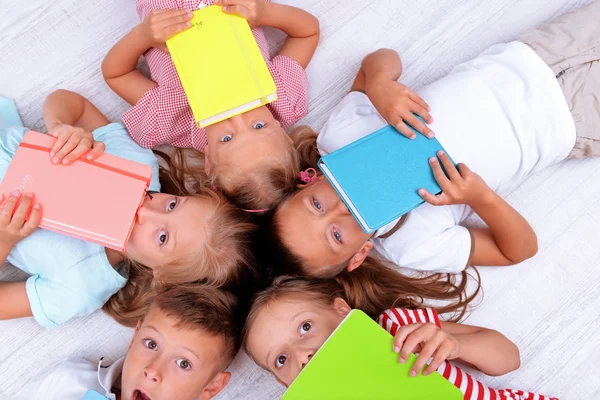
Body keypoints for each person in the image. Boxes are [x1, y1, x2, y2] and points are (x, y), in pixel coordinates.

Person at [267, 1, 600, 278]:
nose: (340, 211)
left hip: (531, 56)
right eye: (336, 235)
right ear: (359, 255)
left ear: (307, 182)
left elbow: (378, 60)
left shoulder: (339, 138)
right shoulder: (412, 245)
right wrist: (480, 197)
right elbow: (519, 250)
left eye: (317, 205)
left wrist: (381, 84)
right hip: (572, 123)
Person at [0, 90, 256, 328]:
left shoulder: (81, 286)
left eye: (162, 237)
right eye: (172, 204)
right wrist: (61, 127)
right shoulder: (135, 166)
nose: (145, 210)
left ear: (162, 277)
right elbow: (72, 105)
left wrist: (5, 240)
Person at [103, 0, 320, 210]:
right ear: (283, 133)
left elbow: (117, 74)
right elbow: (307, 33)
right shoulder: (284, 97)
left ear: (209, 160)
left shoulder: (169, 120)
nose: (237, 118)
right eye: (259, 126)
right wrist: (266, 12)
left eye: (226, 139)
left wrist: (143, 36)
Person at [243, 276, 559, 400]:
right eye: (281, 359)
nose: (302, 354)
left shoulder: (399, 329)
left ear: (341, 310)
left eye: (305, 328)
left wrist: (456, 345)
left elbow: (509, 358)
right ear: (285, 385)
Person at [16, 284, 241, 400]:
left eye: (184, 363)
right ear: (134, 337)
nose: (153, 371)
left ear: (211, 386)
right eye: (151, 344)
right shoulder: (69, 381)